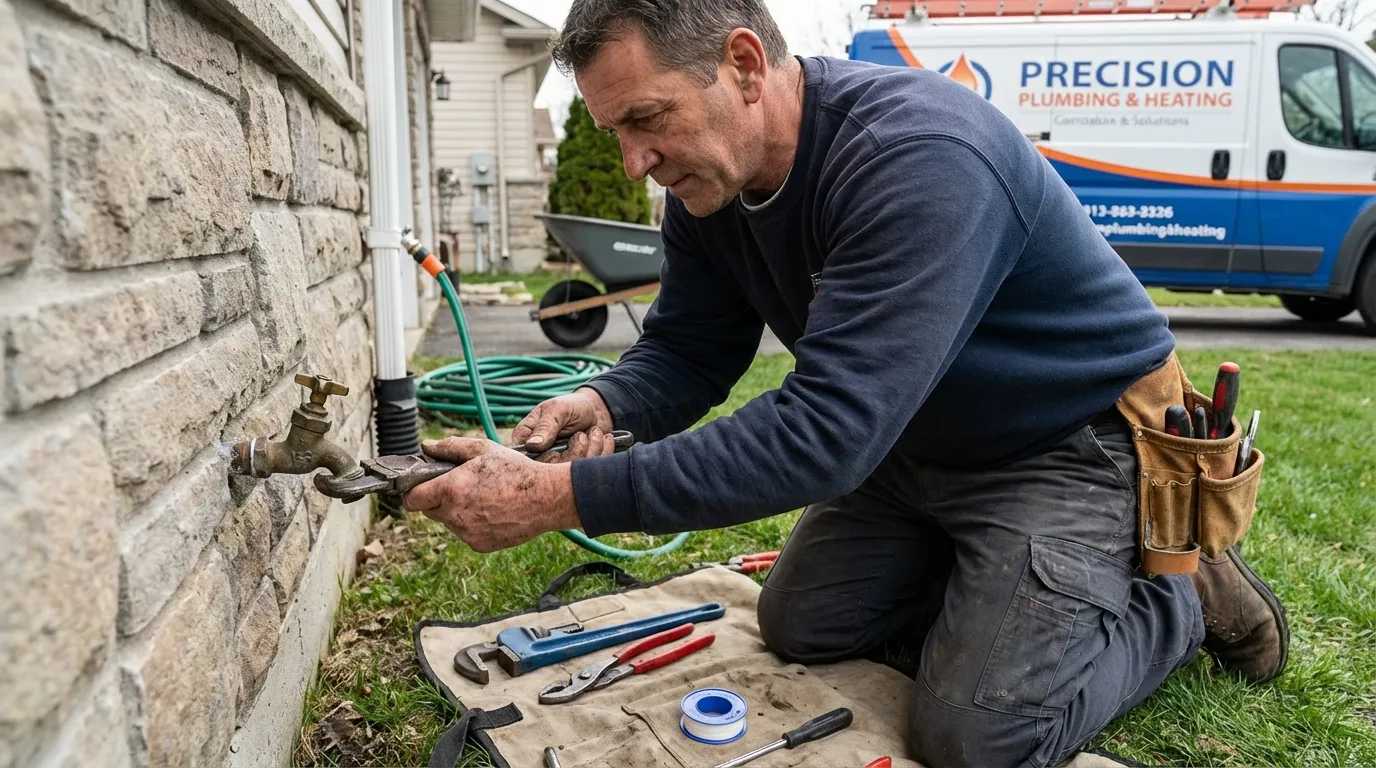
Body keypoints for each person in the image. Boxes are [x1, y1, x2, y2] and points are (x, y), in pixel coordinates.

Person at [401, 1, 1289, 764]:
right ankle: (1000, 578)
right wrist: (606, 401)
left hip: (1066, 443)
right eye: (615, 134)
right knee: (801, 628)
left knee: (978, 740)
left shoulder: (920, 157)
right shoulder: (710, 187)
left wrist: (562, 497)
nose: (636, 161)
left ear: (743, 64)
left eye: (646, 118)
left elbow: (825, 433)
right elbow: (692, 348)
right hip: (915, 441)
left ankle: (1175, 596)